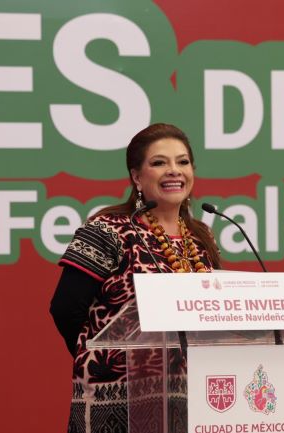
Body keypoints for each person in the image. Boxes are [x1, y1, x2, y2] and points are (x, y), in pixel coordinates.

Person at [50, 123, 221, 433]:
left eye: (182, 162)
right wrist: (101, 357)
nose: (174, 170)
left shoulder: (201, 238)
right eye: (159, 162)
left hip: (189, 400)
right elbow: (65, 307)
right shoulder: (107, 229)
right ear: (137, 177)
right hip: (116, 400)